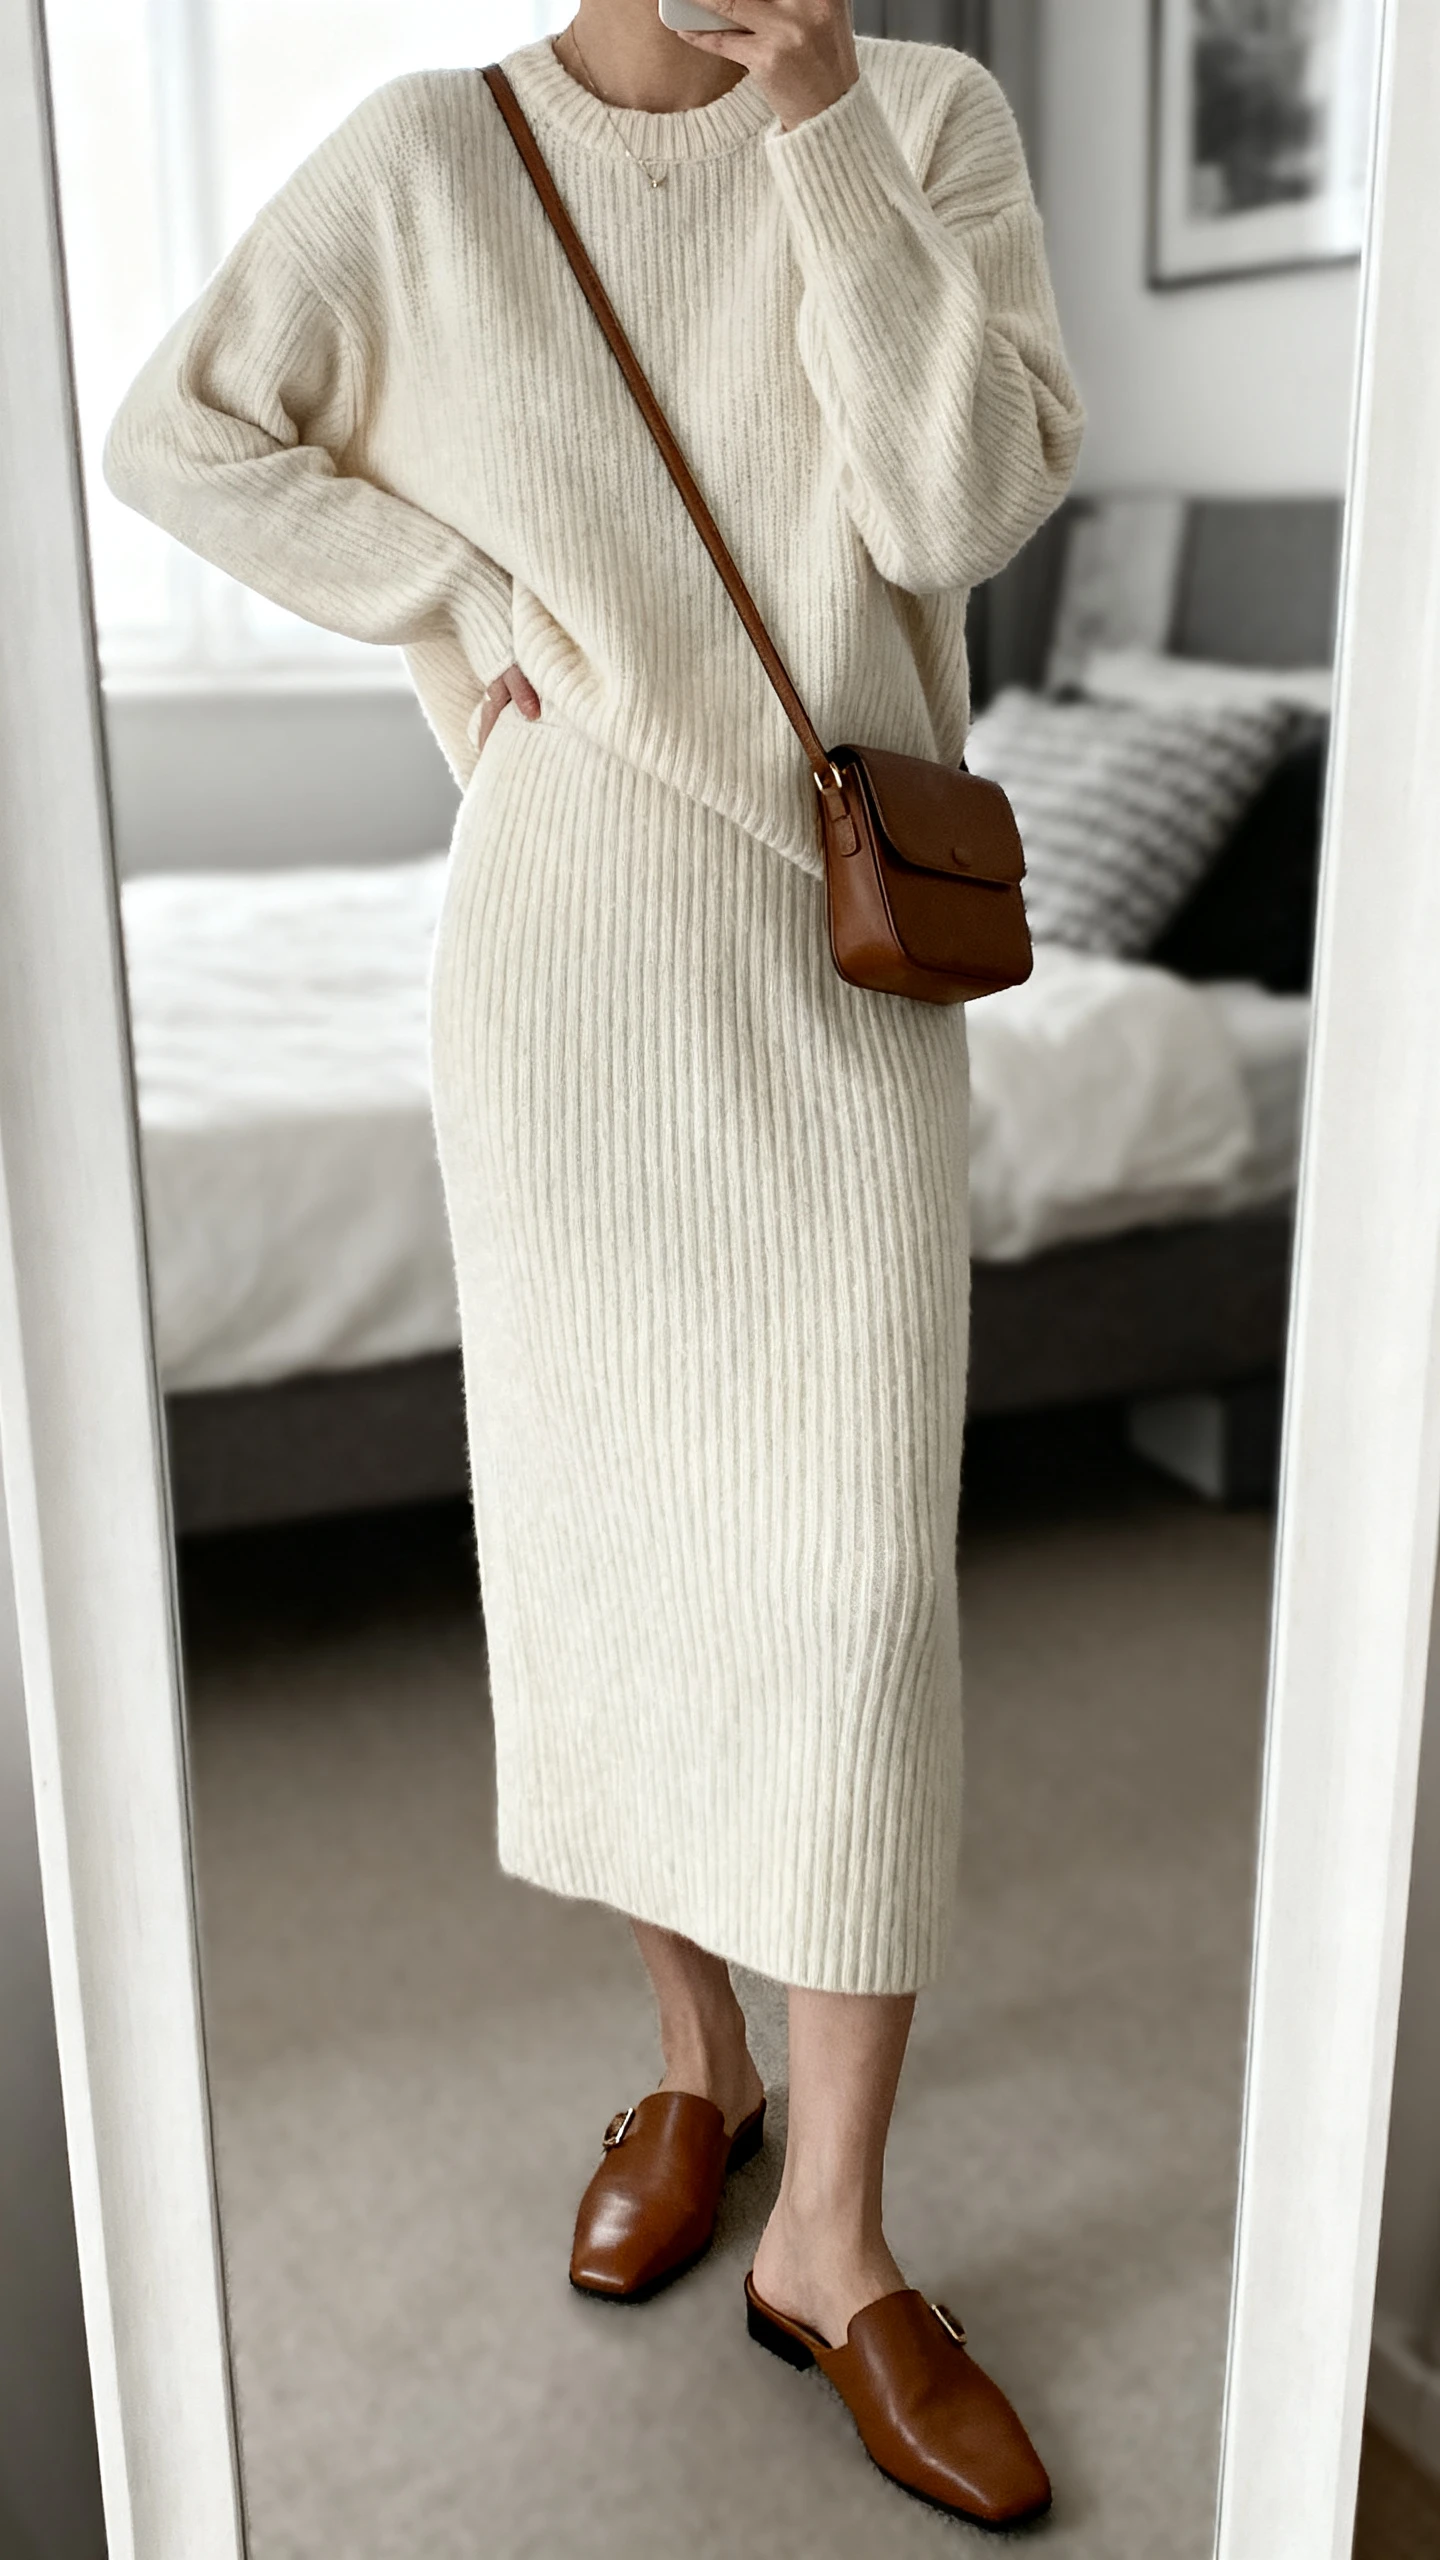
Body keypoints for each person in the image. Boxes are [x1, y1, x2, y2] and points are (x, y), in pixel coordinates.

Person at [106, 0, 1082, 2523]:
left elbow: (957, 496)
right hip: (566, 965)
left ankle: (835, 2243)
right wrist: (451, 586)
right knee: (616, 1554)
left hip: (841, 960)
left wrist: (814, 123)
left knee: (859, 1587)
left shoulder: (928, 116)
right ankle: (702, 2054)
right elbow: (180, 424)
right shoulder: (432, 158)